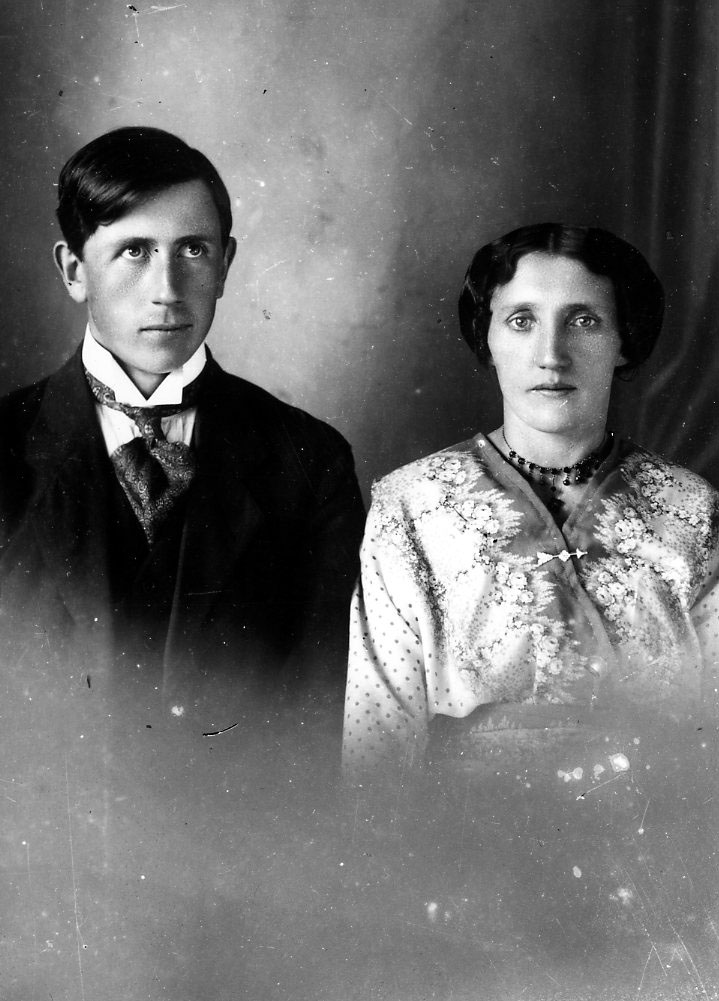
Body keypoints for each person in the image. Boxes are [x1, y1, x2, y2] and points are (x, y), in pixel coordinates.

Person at [0, 125, 365, 733]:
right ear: (74, 270)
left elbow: (314, 718)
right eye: (134, 251)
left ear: (225, 265)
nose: (167, 291)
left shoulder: (310, 459)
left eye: (193, 250)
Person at [344, 223, 719, 771]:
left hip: (652, 814)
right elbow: (377, 743)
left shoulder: (692, 510)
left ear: (623, 340)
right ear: (488, 340)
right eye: (522, 321)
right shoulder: (410, 506)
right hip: (464, 823)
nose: (551, 355)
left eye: (584, 321)